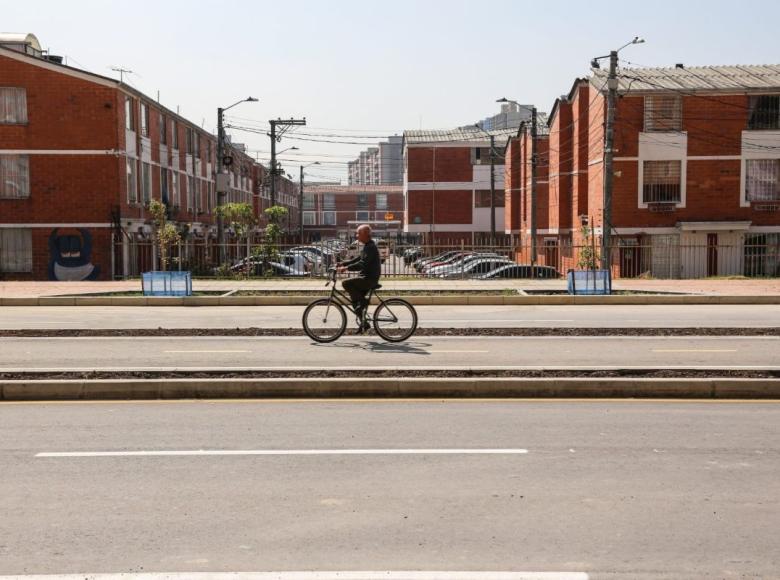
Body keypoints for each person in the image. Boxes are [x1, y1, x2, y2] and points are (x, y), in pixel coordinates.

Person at [337, 224, 381, 332]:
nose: (357, 236)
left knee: (346, 283)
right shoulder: (367, 246)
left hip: (369, 279)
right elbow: (358, 259)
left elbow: (362, 264)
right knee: (355, 301)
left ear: (366, 234)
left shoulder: (371, 247)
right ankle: (363, 324)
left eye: (358, 233)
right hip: (366, 277)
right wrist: (343, 263)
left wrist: (346, 268)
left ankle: (364, 302)